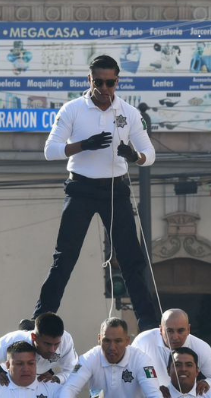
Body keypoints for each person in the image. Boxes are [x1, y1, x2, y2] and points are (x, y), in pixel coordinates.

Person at [35, 54, 160, 331]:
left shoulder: (128, 113)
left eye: (110, 83)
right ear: (89, 80)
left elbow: (149, 154)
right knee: (65, 257)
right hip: (81, 188)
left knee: (131, 259)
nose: (104, 88)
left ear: (117, 81)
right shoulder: (72, 109)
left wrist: (134, 156)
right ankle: (41, 319)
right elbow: (50, 150)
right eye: (98, 82)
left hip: (115, 189)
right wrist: (83, 145)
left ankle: (149, 324)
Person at [131, 309, 211, 395]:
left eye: (180, 331)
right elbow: (130, 374)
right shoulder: (143, 341)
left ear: (188, 329)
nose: (175, 337)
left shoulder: (201, 347)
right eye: (170, 331)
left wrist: (207, 384)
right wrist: (152, 389)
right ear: (161, 330)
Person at [0, 312, 76, 385]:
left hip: (43, 379)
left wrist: (57, 378)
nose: (52, 350)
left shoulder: (66, 340)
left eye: (56, 344)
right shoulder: (10, 342)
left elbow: (73, 370)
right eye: (47, 344)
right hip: (9, 380)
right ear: (34, 337)